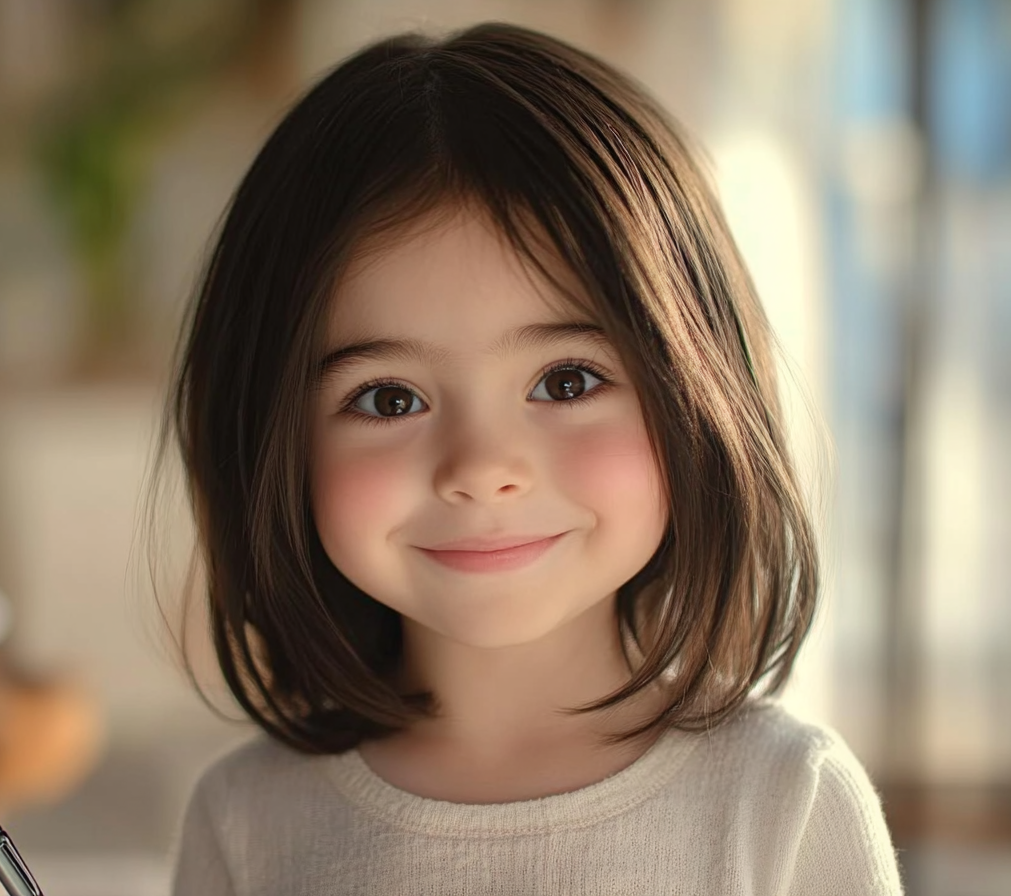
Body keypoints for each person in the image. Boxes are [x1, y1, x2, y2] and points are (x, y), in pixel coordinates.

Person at [157, 21, 903, 895]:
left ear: (697, 393)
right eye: (389, 399)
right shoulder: (247, 820)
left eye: (567, 380)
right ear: (267, 438)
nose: (481, 466)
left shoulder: (781, 801)